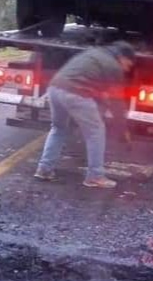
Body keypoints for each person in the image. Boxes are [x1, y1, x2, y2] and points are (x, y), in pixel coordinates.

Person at [34, 41, 136, 188]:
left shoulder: (93, 54)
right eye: (128, 65)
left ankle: (44, 169)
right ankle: (95, 176)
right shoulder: (114, 67)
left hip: (54, 89)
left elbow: (92, 84)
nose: (127, 69)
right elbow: (117, 104)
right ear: (122, 57)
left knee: (58, 129)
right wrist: (123, 129)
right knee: (96, 132)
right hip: (76, 93)